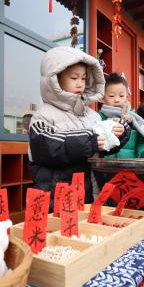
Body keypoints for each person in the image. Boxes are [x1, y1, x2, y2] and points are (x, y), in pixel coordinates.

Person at [28, 46, 129, 203]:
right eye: (74, 78)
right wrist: (89, 141)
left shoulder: (92, 116)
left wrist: (118, 134)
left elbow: (102, 146)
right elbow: (47, 147)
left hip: (88, 191)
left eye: (83, 79)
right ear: (54, 79)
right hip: (55, 196)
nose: (80, 84)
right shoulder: (43, 116)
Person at [99, 73, 144, 158]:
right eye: (111, 96)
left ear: (126, 96)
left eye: (121, 95)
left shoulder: (133, 119)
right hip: (105, 168)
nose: (117, 100)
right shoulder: (99, 118)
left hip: (130, 167)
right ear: (103, 98)